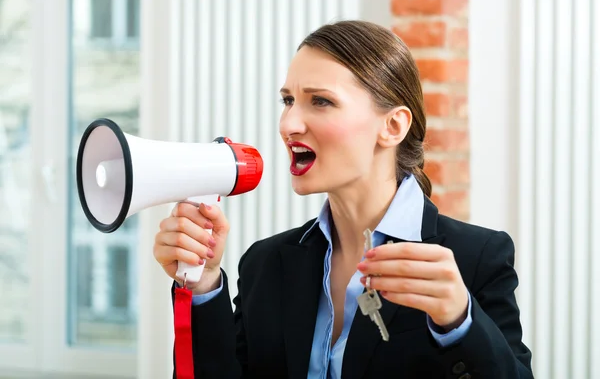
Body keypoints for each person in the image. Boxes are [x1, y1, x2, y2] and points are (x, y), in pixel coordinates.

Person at [153, 20, 534, 378]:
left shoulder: (476, 259)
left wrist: (459, 323)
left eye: (320, 101)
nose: (288, 125)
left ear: (392, 126)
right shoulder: (265, 264)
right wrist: (203, 285)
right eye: (288, 101)